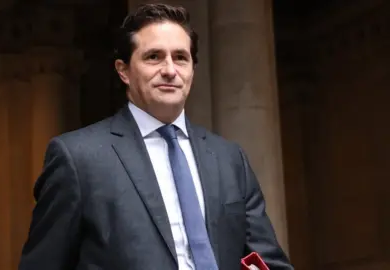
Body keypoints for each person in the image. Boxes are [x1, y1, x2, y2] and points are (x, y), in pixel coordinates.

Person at [18, 3, 293, 270]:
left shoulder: (230, 160)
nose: (170, 70)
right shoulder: (77, 158)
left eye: (181, 58)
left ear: (192, 71)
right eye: (154, 57)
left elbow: (269, 260)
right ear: (123, 70)